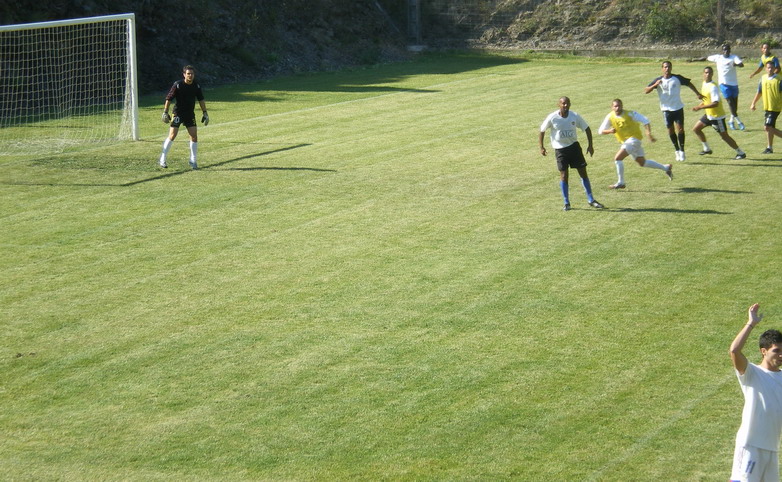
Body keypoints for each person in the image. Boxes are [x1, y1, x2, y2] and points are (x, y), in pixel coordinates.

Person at [728, 303, 782, 482]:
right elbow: (734, 351)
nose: (781, 355)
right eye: (777, 351)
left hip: (772, 449)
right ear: (763, 351)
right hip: (751, 446)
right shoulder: (752, 373)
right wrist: (751, 323)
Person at [539, 96, 605, 211]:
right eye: (563, 104)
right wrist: (542, 147)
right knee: (564, 176)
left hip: (574, 148)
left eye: (567, 103)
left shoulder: (574, 116)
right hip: (560, 150)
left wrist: (590, 145)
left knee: (583, 173)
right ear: (558, 105)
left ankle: (591, 199)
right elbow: (542, 130)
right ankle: (566, 202)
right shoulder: (553, 117)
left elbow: (587, 128)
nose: (565, 106)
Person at [598, 99, 673, 189]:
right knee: (642, 162)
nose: (618, 108)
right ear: (612, 107)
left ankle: (621, 182)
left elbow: (645, 120)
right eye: (615, 106)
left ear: (622, 106)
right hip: (626, 142)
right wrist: (609, 131)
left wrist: (648, 133)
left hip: (634, 139)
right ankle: (666, 167)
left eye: (619, 106)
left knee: (618, 158)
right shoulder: (610, 116)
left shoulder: (630, 114)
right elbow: (600, 131)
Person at [644, 60, 704, 162]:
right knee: (670, 130)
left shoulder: (677, 78)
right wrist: (655, 85)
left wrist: (697, 93)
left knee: (680, 130)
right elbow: (646, 90)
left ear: (671, 68)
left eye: (669, 67)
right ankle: (676, 150)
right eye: (665, 67)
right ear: (662, 68)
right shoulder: (658, 80)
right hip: (666, 110)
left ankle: (682, 151)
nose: (667, 69)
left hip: (677, 108)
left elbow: (689, 83)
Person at [158, 65, 209, 169]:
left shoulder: (196, 86)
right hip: (178, 113)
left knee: (194, 135)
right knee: (172, 135)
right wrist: (165, 112)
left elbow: (201, 100)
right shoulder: (177, 85)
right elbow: (168, 98)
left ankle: (193, 160)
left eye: (192, 74)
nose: (190, 76)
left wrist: (205, 113)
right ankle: (162, 158)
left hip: (190, 114)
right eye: (188, 74)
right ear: (184, 75)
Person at [692, 66, 747, 160]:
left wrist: (700, 107)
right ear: (703, 74)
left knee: (724, 136)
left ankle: (740, 152)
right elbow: (707, 99)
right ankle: (707, 149)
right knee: (696, 129)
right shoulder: (704, 83)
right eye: (706, 72)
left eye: (709, 73)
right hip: (709, 115)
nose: (707, 74)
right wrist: (702, 103)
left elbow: (715, 103)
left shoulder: (713, 87)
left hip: (717, 117)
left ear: (712, 74)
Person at [706, 44, 746, 130]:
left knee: (735, 105)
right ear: (722, 51)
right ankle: (739, 121)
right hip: (724, 84)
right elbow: (708, 57)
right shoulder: (718, 57)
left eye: (728, 50)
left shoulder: (733, 57)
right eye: (724, 50)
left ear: (730, 50)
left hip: (734, 84)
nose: (726, 51)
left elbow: (741, 64)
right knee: (730, 102)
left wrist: (734, 64)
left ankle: (731, 121)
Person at [750, 60, 782, 155]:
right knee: (770, 127)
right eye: (768, 67)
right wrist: (753, 103)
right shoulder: (763, 78)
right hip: (767, 107)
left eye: (772, 67)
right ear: (765, 69)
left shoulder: (779, 80)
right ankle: (769, 147)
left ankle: (769, 147)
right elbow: (759, 92)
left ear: (775, 69)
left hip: (775, 107)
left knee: (767, 127)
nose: (770, 69)